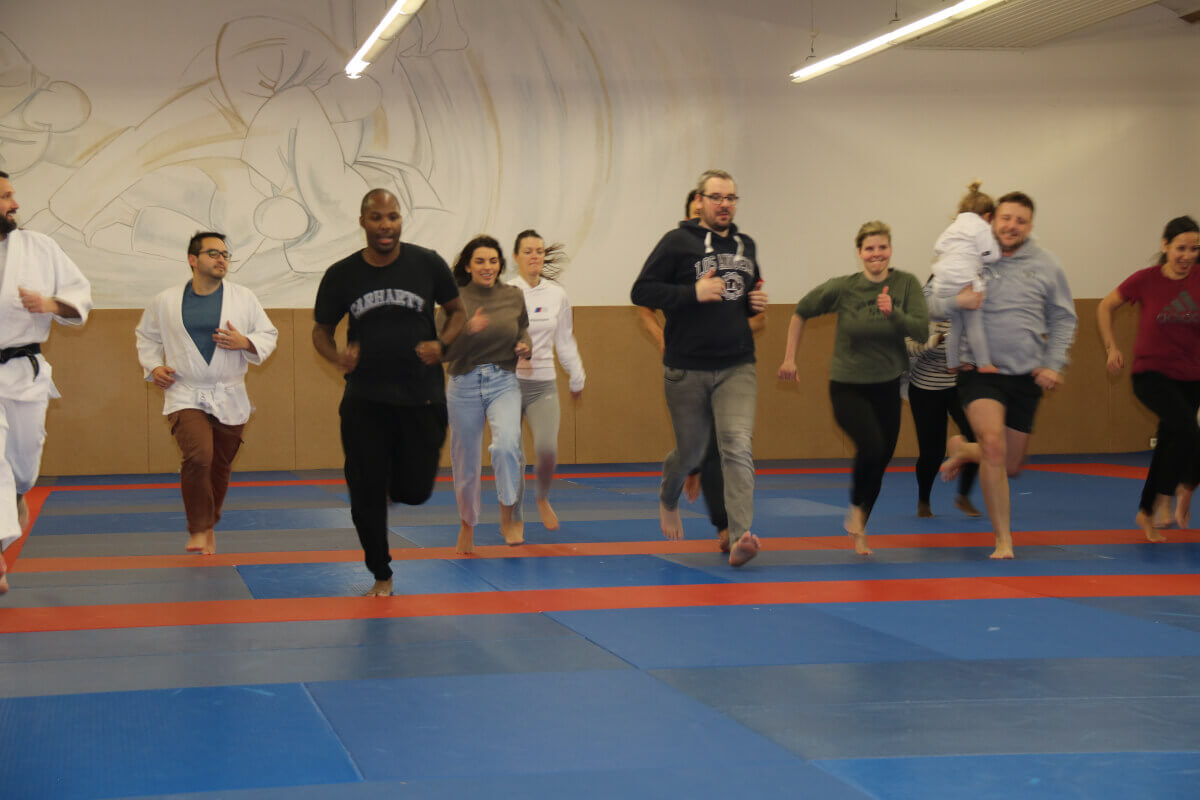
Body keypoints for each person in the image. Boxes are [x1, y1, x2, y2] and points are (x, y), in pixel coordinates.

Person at [313, 188, 465, 597]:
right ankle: (381, 573)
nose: (386, 225)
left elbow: (457, 314)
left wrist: (443, 346)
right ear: (362, 221)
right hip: (366, 398)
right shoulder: (341, 274)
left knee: (413, 491)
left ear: (401, 221)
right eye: (377, 217)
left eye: (393, 217)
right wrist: (336, 357)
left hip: (422, 397)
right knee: (364, 490)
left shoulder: (428, 264)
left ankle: (390, 483)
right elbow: (321, 332)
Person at [631, 169, 768, 567]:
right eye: (716, 197)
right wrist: (692, 291)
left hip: (736, 364)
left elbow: (745, 297)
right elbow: (641, 291)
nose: (724, 204)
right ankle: (668, 496)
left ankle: (740, 535)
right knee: (691, 451)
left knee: (737, 444)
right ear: (700, 201)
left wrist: (754, 305)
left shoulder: (747, 245)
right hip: (686, 367)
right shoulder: (677, 242)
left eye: (730, 198)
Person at [937, 192, 1077, 559]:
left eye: (1021, 220)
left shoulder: (1047, 265)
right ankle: (1003, 540)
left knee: (1010, 465)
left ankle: (963, 449)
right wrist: (957, 302)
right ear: (992, 220)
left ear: (1030, 226)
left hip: (1025, 374)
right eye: (1006, 218)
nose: (1012, 226)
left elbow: (1063, 319)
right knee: (994, 446)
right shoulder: (970, 255)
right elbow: (930, 300)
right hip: (979, 371)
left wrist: (1053, 363)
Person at [779, 221, 929, 555]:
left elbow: (920, 330)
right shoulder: (844, 288)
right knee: (872, 445)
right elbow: (801, 311)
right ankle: (856, 510)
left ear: (890, 250)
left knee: (881, 457)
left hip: (888, 385)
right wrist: (790, 358)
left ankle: (860, 523)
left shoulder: (905, 284)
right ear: (859, 253)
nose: (876, 254)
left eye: (882, 247)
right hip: (848, 385)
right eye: (869, 248)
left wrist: (895, 314)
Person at [135, 232, 279, 555]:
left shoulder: (243, 298)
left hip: (229, 391)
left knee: (220, 464)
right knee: (199, 455)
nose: (221, 259)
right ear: (193, 259)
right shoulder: (165, 301)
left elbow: (268, 333)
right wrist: (153, 367)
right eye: (213, 253)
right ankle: (198, 527)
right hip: (185, 389)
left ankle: (209, 522)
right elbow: (146, 337)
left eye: (226, 254)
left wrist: (247, 343)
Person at [0, 170, 92, 595]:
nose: (14, 204)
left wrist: (49, 303)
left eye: (12, 195)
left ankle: (19, 490)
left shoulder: (39, 248)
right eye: (5, 197)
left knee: (22, 461)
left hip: (23, 371)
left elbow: (79, 299)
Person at [1096, 215, 1200, 542]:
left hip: (1191, 377)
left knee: (1171, 440)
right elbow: (1105, 307)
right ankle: (1183, 488)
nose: (1187, 256)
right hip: (1151, 374)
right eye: (1181, 248)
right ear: (1165, 246)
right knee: (1187, 432)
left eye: (1194, 249)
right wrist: (1112, 347)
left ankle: (1147, 511)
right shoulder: (1146, 279)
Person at [443, 235, 531, 554]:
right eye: (480, 261)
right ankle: (467, 525)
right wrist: (467, 329)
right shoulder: (454, 299)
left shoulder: (513, 296)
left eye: (493, 261)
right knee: (465, 461)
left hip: (503, 379)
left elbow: (522, 329)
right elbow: (440, 350)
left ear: (500, 264)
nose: (487, 267)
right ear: (468, 265)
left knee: (507, 445)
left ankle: (508, 516)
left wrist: (525, 345)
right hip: (464, 383)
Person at [508, 229, 585, 530]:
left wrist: (577, 375)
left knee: (547, 449)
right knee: (512, 456)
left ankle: (542, 497)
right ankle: (514, 516)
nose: (535, 256)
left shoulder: (556, 294)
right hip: (509, 384)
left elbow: (565, 340)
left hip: (543, 384)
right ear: (516, 257)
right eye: (528, 251)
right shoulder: (506, 293)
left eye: (539, 251)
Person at [906, 279, 980, 519]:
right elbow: (906, 346)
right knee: (932, 451)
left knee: (977, 441)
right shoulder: (921, 309)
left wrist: (967, 360)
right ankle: (923, 501)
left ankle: (964, 496)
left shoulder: (968, 310)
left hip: (960, 386)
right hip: (926, 387)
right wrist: (931, 343)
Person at [931, 182, 1001, 371]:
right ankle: (984, 363)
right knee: (973, 323)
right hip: (964, 281)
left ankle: (953, 363)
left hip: (943, 283)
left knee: (956, 325)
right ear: (987, 216)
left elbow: (937, 247)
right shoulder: (981, 227)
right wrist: (986, 254)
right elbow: (991, 255)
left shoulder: (953, 227)